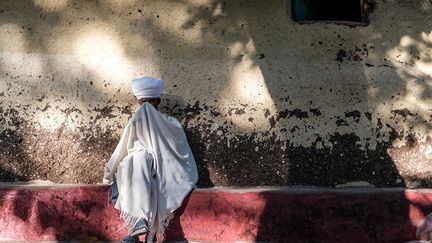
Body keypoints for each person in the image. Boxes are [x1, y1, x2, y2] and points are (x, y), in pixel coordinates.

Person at [103, 77, 198, 243]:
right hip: (139, 170)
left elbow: (179, 152)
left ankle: (134, 231)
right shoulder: (134, 122)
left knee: (141, 165)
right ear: (139, 102)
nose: (146, 106)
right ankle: (138, 221)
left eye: (150, 101)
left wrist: (158, 157)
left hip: (168, 167)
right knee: (137, 159)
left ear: (158, 101)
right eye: (144, 102)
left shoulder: (171, 123)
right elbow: (123, 149)